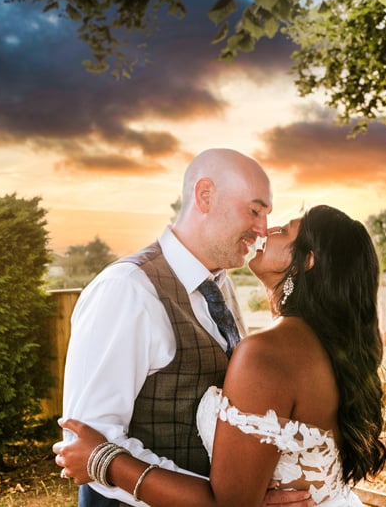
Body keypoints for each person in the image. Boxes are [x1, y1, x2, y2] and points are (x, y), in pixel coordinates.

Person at [54, 204, 386, 506]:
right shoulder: (329, 345)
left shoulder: (267, 353)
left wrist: (103, 460)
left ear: (307, 261)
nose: (266, 229)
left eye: (284, 230)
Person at [60, 148, 314, 507]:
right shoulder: (128, 289)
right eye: (255, 211)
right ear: (205, 195)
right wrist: (234, 500)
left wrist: (242, 494)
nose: (262, 229)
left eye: (267, 215)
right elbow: (89, 446)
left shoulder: (220, 284)